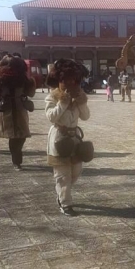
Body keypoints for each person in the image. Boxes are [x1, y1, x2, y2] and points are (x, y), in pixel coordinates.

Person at [45, 59, 90, 217]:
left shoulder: (78, 96)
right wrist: (63, 103)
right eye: (67, 80)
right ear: (60, 81)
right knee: (63, 175)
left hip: (74, 138)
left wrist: (81, 102)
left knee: (76, 171)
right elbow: (51, 117)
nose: (70, 83)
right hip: (59, 137)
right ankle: (65, 202)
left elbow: (85, 116)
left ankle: (62, 192)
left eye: (74, 80)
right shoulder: (53, 97)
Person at [0, 55, 36, 170]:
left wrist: (31, 82)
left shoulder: (24, 79)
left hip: (20, 108)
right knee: (13, 136)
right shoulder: (0, 80)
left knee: (21, 136)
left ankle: (17, 155)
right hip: (7, 110)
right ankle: (16, 160)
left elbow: (30, 93)